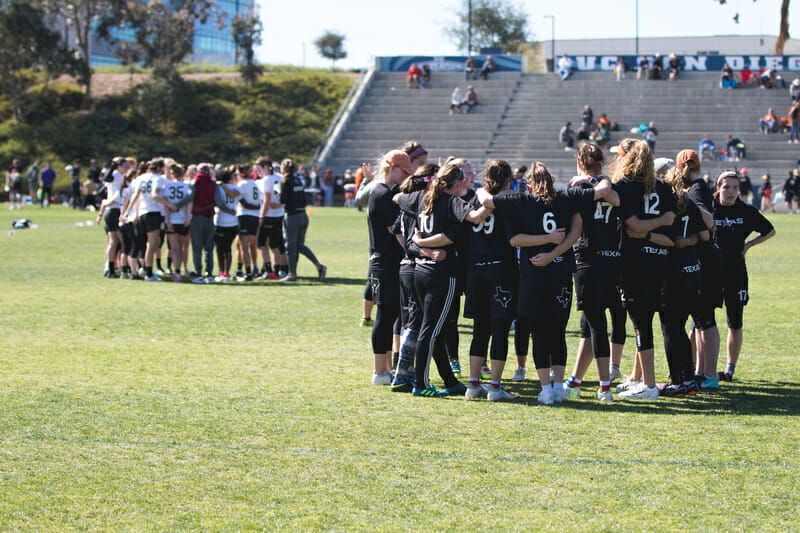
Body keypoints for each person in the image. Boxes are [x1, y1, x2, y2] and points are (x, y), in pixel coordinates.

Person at [478, 161, 614, 405]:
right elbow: (598, 197)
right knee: (558, 331)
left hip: (533, 275)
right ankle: (559, 386)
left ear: (529, 183)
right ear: (551, 181)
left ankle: (546, 390)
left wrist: (477, 188)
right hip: (561, 272)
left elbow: (510, 234)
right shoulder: (566, 198)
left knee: (539, 332)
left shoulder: (522, 202)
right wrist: (555, 250)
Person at [396, 161, 491, 397]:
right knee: (432, 331)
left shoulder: (421, 197)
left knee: (431, 328)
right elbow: (478, 217)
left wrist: (420, 241)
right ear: (458, 183)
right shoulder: (453, 201)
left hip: (420, 271)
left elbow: (397, 198)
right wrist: (492, 201)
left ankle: (448, 381)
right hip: (442, 274)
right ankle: (421, 384)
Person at [611, 139, 677, 400]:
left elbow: (635, 227)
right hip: (659, 262)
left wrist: (644, 231)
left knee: (640, 324)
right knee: (644, 321)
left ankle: (649, 386)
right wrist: (656, 228)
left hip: (635, 264)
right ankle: (638, 378)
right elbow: (668, 231)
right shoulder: (663, 188)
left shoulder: (624, 186)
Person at [562, 143, 625, 402]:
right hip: (612, 260)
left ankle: (604, 387)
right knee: (588, 326)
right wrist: (598, 181)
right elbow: (614, 197)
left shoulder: (577, 187)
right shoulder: (608, 186)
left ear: (580, 161)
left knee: (596, 324)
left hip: (588, 261)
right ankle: (575, 381)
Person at [713, 170, 775, 382]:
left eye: (735, 188)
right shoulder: (708, 208)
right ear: (718, 187)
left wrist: (749, 244)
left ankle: (730, 368)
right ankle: (697, 367)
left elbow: (769, 230)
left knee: (735, 322)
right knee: (701, 322)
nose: (730, 192)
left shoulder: (746, 211)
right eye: (726, 187)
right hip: (710, 272)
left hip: (736, 273)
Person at [658, 163, 712, 396]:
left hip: (672, 271)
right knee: (680, 327)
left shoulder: (665, 203)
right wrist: (688, 241)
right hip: (693, 270)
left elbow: (665, 236)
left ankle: (678, 382)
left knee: (671, 328)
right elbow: (706, 234)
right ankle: (689, 380)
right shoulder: (689, 202)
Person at [366, 149, 413, 385]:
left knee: (390, 314)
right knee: (384, 316)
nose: (406, 177)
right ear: (392, 168)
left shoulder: (385, 191)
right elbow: (395, 232)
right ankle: (379, 371)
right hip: (384, 262)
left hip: (387, 261)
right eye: (404, 172)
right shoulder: (382, 194)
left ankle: (385, 369)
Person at [279, 158, 326, 283]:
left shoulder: (285, 181)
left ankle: (292, 274)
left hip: (292, 216)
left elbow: (283, 200)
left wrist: (278, 195)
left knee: (290, 247)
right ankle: (319, 266)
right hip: (303, 215)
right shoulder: (298, 180)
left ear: (283, 169)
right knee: (300, 246)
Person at [256, 157, 287, 280]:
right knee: (275, 245)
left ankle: (268, 270)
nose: (258, 173)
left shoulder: (267, 180)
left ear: (265, 167)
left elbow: (267, 200)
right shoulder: (280, 177)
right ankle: (277, 271)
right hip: (280, 214)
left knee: (261, 244)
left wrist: (261, 216)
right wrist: (280, 205)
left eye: (259, 169)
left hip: (269, 216)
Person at [189, 163, 217, 282]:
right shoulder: (213, 184)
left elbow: (189, 198)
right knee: (209, 248)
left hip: (197, 217)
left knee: (197, 248)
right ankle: (209, 274)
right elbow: (217, 201)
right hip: (209, 217)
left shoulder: (193, 183)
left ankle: (199, 273)